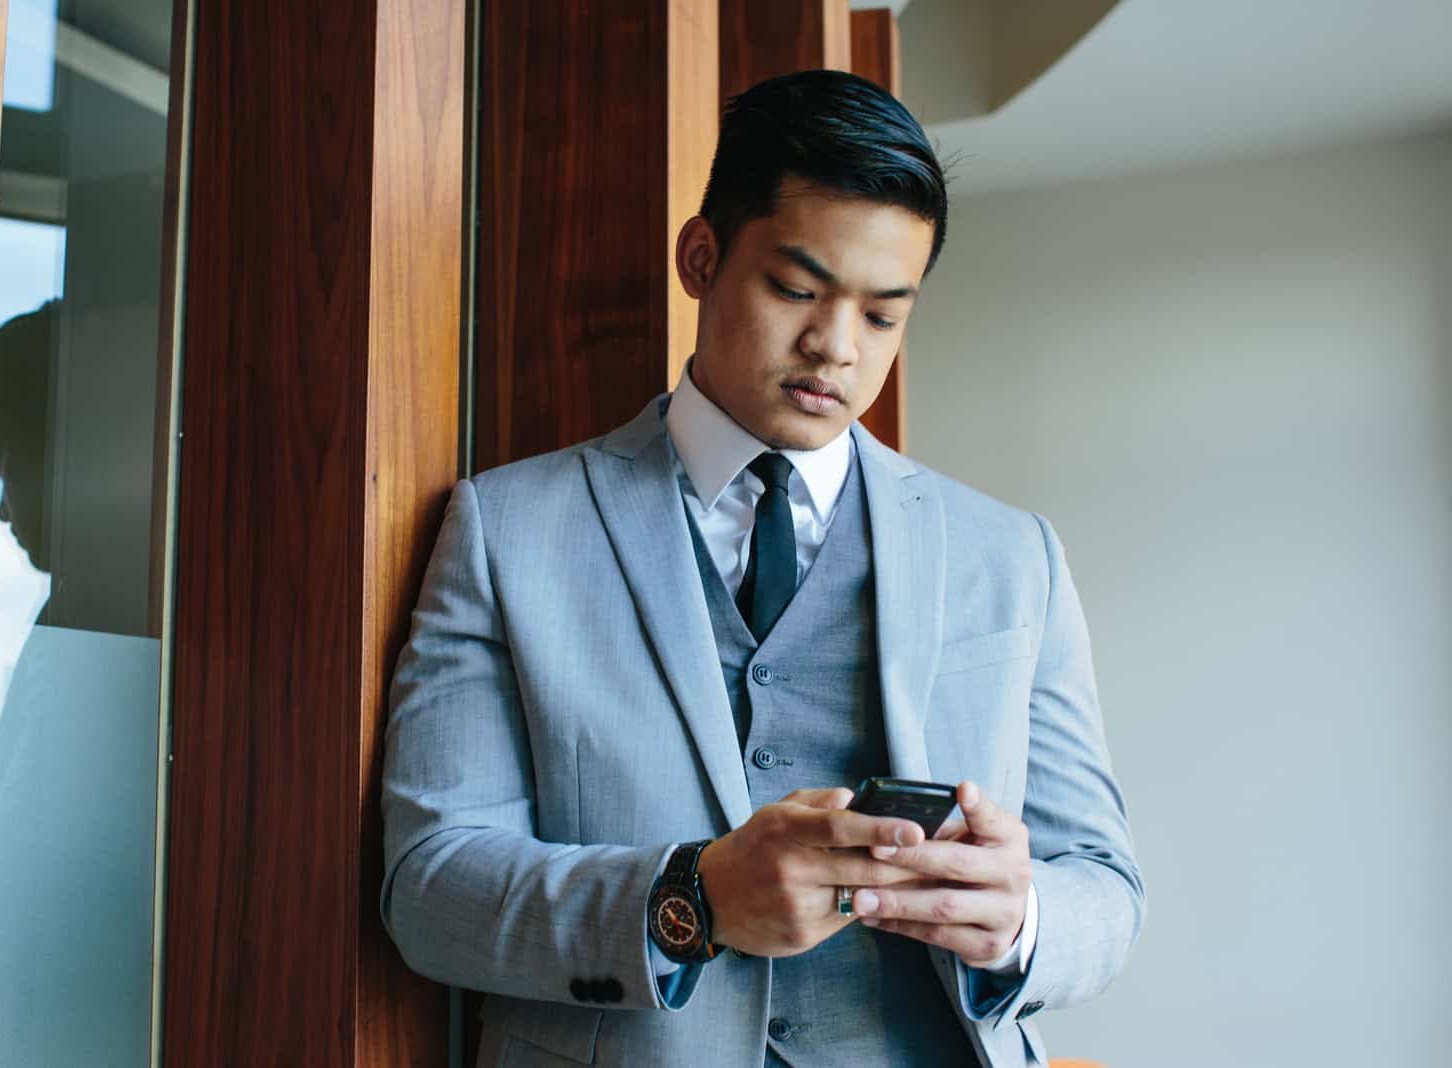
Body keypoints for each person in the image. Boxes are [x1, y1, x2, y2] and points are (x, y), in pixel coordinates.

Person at [380, 70, 1143, 1067]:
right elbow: (429, 889)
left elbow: (1103, 888)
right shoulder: (506, 530)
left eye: (882, 316)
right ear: (701, 256)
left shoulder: (1012, 556)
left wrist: (1020, 920)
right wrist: (690, 899)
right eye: (796, 288)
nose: (834, 348)